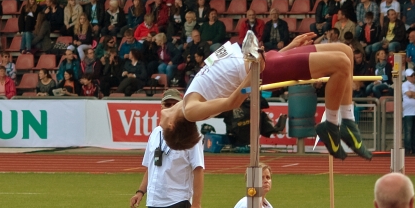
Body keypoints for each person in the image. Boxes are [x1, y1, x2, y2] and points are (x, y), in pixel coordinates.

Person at [159, 30, 370, 161]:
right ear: (170, 126)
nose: (160, 113)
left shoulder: (187, 97)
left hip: (265, 59)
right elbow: (234, 102)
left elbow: (227, 68)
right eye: (161, 122)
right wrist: (254, 72)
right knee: (341, 63)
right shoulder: (192, 111)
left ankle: (347, 120)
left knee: (346, 51)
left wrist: (287, 49)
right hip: (261, 68)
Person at [130, 89, 204, 208]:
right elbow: (151, 167)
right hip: (154, 201)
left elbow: (198, 169)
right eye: (167, 104)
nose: (170, 107)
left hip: (177, 201)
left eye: (174, 104)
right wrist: (140, 192)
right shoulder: (155, 133)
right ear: (161, 107)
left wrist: (196, 204)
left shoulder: (189, 134)